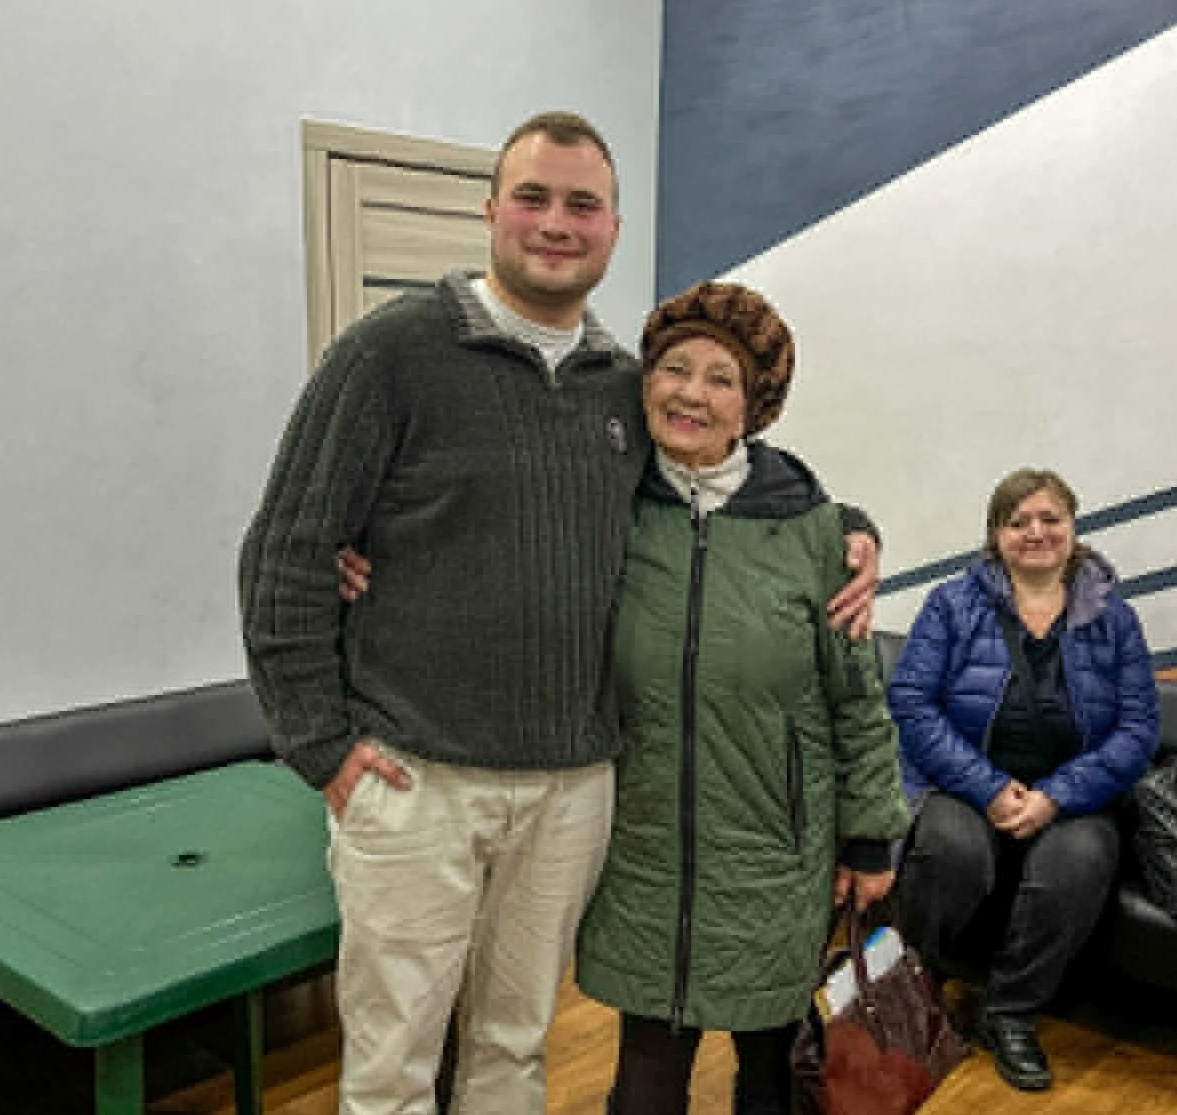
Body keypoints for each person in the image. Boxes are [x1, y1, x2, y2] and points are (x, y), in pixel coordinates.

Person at [238, 111, 880, 1115]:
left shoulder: (622, 387)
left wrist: (853, 531)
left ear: (614, 229)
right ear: (490, 209)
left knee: (513, 1043)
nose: (555, 222)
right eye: (532, 197)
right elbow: (286, 553)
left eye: (582, 204)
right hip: (417, 777)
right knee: (393, 1063)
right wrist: (318, 743)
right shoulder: (388, 354)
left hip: (571, 788)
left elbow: (731, 476)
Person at [570, 282, 911, 1115]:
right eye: (674, 368)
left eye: (720, 377)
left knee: (772, 1084)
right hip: (643, 853)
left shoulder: (813, 529)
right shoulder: (607, 505)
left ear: (753, 405)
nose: (692, 392)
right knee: (644, 1091)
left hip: (777, 856)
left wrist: (869, 838)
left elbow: (856, 699)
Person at [886, 468, 1159, 1093]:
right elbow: (912, 703)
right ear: (996, 535)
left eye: (1050, 519)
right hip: (960, 787)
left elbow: (1139, 729)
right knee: (951, 848)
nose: (1036, 532)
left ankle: (1008, 1013)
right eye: (1018, 522)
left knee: (1081, 859)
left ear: (1073, 528)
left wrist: (1056, 795)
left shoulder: (1116, 619)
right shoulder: (951, 604)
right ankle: (914, 990)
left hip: (1072, 798)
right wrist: (987, 788)